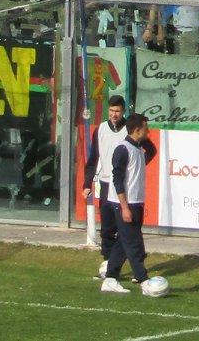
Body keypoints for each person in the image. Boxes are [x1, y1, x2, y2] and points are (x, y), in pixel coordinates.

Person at [101, 113, 166, 297]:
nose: (149, 131)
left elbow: (151, 151)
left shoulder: (138, 148)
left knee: (123, 241)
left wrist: (141, 137)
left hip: (137, 203)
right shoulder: (122, 149)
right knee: (133, 242)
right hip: (123, 204)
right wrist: (124, 207)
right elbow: (117, 180)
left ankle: (110, 278)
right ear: (137, 130)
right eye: (146, 128)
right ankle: (144, 281)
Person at [85, 94, 128, 276]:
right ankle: (107, 265)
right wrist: (87, 184)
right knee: (107, 228)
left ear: (123, 111)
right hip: (104, 183)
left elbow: (146, 151)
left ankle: (130, 263)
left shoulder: (129, 129)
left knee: (125, 228)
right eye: (111, 110)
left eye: (117, 111)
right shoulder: (101, 129)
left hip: (122, 186)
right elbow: (93, 157)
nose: (114, 114)